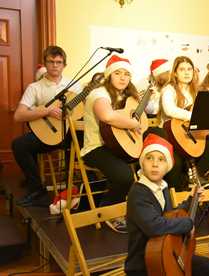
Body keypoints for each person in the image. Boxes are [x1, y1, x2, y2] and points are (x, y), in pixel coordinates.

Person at [125, 134, 209, 276]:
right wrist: (187, 224)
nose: (155, 164)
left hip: (167, 254)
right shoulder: (138, 193)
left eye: (161, 160)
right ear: (142, 163)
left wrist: (191, 201)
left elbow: (169, 216)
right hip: (145, 265)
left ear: (167, 166)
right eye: (149, 158)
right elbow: (155, 226)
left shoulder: (163, 187)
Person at [12, 46, 79, 207]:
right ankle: (36, 189)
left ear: (64, 65)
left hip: (71, 133)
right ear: (45, 64)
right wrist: (46, 111)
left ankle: (80, 187)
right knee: (19, 145)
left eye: (59, 62)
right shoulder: (35, 88)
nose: (55, 65)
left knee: (88, 139)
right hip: (49, 134)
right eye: (51, 61)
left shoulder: (74, 85)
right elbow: (18, 115)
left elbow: (85, 109)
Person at [80, 55, 140, 233]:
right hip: (95, 148)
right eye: (118, 73)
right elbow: (107, 116)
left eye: (127, 74)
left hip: (116, 146)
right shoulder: (99, 94)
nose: (123, 78)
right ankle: (108, 211)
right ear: (108, 75)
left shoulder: (125, 96)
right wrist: (133, 124)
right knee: (124, 176)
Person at [159, 56, 209, 191]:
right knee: (176, 160)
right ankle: (181, 187)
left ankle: (198, 175)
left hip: (190, 133)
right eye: (182, 69)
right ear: (175, 72)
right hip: (172, 135)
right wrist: (194, 116)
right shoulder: (169, 89)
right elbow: (170, 110)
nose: (186, 73)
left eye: (189, 69)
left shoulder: (195, 91)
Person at [143, 58, 170, 138]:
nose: (169, 76)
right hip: (153, 127)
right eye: (166, 73)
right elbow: (148, 110)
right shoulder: (147, 88)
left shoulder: (171, 88)